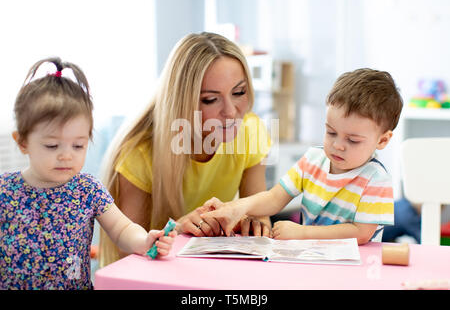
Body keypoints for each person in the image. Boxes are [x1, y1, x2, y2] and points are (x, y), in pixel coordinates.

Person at [0, 57, 176, 290]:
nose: (66, 156)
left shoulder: (87, 188)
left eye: (78, 146)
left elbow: (121, 228)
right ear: (22, 142)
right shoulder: (4, 190)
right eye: (52, 146)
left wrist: (144, 240)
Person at [98, 32, 272, 267]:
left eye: (238, 92)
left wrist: (249, 221)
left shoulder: (251, 131)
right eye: (211, 99)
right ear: (183, 102)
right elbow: (126, 255)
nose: (231, 111)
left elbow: (259, 213)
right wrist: (178, 229)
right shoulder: (140, 154)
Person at [202, 68, 404, 245]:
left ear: (383, 140)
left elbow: (360, 234)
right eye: (331, 132)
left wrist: (303, 232)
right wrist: (236, 207)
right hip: (313, 257)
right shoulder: (313, 159)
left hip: (355, 266)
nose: (337, 145)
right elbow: (274, 198)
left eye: (353, 140)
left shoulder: (376, 178)